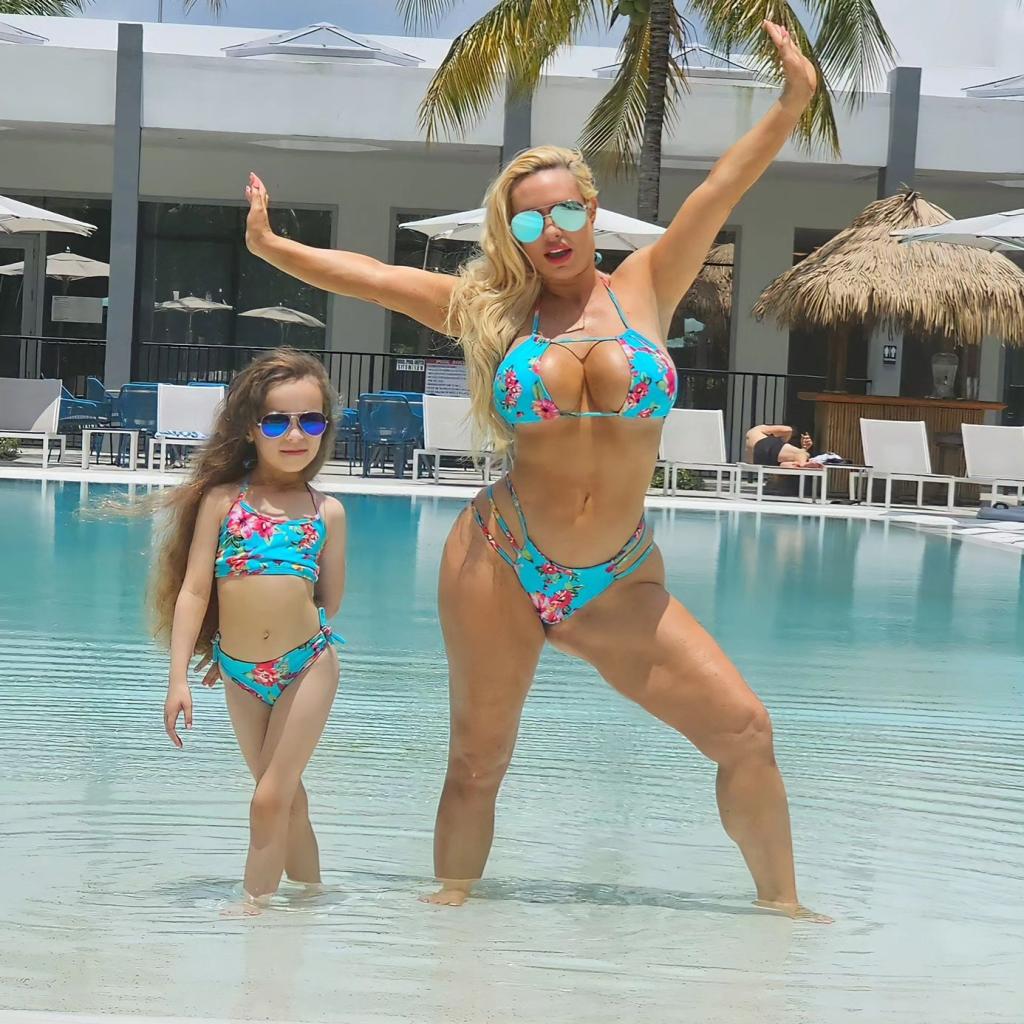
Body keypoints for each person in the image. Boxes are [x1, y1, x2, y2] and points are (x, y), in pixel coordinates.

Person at [243, 21, 828, 921]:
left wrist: (791, 101)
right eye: (527, 219)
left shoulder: (649, 285)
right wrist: (276, 249)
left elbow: (722, 187)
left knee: (746, 731)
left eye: (564, 212)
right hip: (501, 561)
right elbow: (372, 276)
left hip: (618, 575)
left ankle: (785, 922)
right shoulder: (491, 311)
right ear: (509, 231)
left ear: (591, 211)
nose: (549, 231)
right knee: (478, 761)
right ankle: (451, 928)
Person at [157, 349, 348, 915]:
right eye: (278, 421)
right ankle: (311, 903)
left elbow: (328, 601)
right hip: (239, 672)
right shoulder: (224, 502)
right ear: (250, 429)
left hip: (305, 665)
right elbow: (195, 590)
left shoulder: (326, 512)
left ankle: (254, 914)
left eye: (311, 420)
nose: (296, 435)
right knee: (287, 802)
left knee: (268, 797)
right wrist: (178, 679)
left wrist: (276, 624)